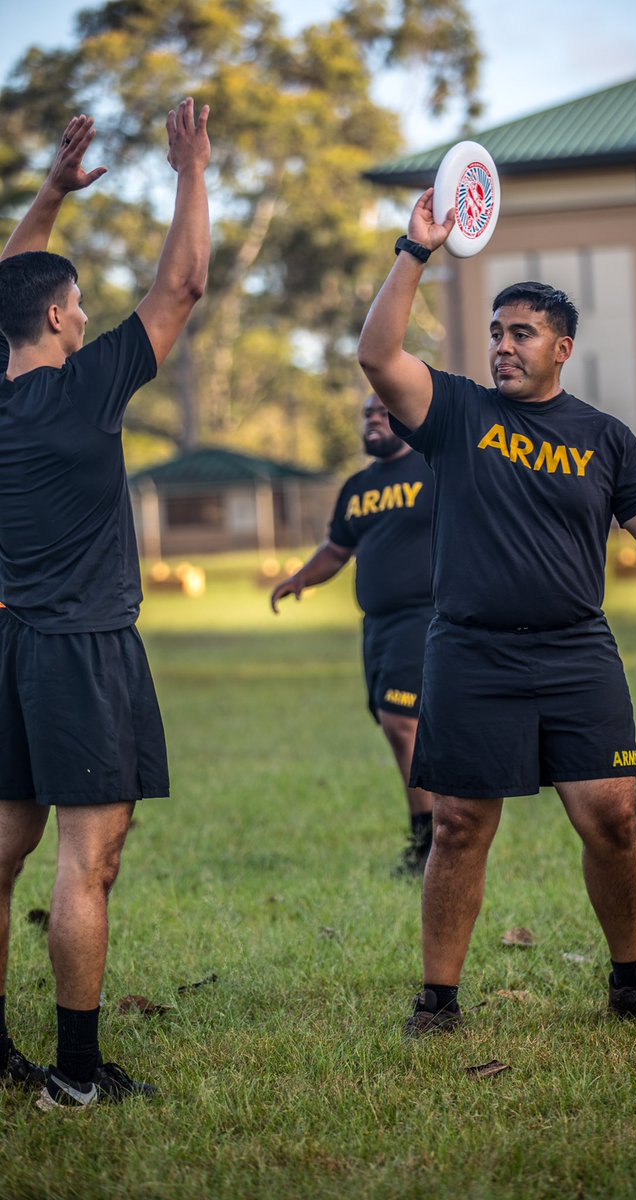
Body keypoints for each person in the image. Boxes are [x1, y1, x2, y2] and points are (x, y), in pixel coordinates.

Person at [357, 190, 636, 1037]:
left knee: (612, 817)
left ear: (561, 348)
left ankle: (631, 979)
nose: (503, 346)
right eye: (496, 333)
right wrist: (416, 248)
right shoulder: (458, 413)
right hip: (471, 653)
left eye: (521, 334)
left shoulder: (603, 436)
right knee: (458, 822)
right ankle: (438, 1001)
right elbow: (376, 354)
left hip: (576, 651)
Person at [0, 100, 211, 1107]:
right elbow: (185, 282)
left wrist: (48, 194)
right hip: (83, 650)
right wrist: (192, 170)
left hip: (8, 646)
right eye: (77, 303)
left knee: (1, 855)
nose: (85, 314)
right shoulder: (84, 391)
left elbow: (8, 285)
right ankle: (74, 1078)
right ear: (56, 318)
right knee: (88, 860)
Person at [271, 395, 436, 875]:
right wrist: (301, 577)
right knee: (398, 726)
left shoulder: (434, 469)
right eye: (368, 414)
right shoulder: (357, 487)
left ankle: (429, 842)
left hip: (425, 617)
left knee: (400, 719)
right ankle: (431, 833)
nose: (374, 420)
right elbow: (337, 548)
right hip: (378, 626)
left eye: (384, 412)